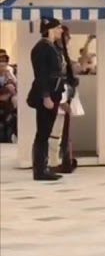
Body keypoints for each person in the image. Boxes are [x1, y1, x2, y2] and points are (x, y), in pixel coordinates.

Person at [26, 17, 65, 181]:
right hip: (47, 96)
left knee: (46, 132)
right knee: (42, 133)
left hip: (54, 94)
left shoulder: (52, 47)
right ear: (49, 30)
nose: (60, 31)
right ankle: (40, 170)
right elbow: (41, 74)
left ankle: (44, 166)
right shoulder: (43, 48)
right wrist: (46, 96)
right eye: (58, 28)